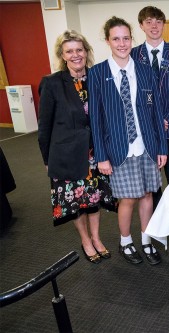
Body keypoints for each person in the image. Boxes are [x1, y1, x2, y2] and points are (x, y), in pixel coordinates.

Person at [89, 17, 167, 265]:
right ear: (107, 41)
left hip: (146, 147)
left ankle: (145, 240)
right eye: (116, 39)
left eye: (126, 38)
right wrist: (101, 156)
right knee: (128, 199)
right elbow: (96, 120)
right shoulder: (98, 73)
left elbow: (156, 113)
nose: (122, 44)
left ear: (132, 39)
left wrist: (162, 147)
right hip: (118, 149)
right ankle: (126, 242)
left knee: (146, 196)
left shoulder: (144, 71)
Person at [38, 30, 117, 264]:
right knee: (75, 203)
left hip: (95, 153)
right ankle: (85, 240)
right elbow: (45, 126)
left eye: (79, 50)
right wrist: (46, 159)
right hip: (66, 154)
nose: (75, 55)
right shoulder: (52, 83)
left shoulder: (97, 77)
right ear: (62, 56)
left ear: (86, 52)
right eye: (69, 51)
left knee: (93, 200)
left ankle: (97, 237)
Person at [131, 6, 169, 190]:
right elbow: (132, 93)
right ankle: (155, 216)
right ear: (141, 25)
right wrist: (153, 121)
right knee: (151, 181)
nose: (154, 26)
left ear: (164, 24)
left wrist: (166, 119)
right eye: (148, 22)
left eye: (158, 21)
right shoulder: (133, 55)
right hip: (146, 128)